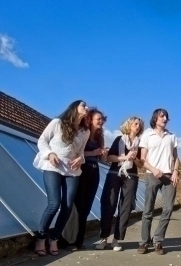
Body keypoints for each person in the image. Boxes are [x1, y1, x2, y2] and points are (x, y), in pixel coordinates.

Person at [33, 100, 89, 256]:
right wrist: (49, 154)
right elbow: (42, 140)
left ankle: (54, 238)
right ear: (74, 108)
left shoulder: (85, 132)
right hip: (53, 167)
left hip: (72, 170)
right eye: (83, 105)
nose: (87, 108)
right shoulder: (57, 123)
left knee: (68, 205)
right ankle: (41, 237)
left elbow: (81, 152)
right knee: (54, 203)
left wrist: (81, 159)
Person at [96, 116, 144, 251]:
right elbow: (110, 157)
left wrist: (134, 159)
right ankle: (104, 238)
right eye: (135, 123)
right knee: (108, 204)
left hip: (132, 176)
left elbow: (141, 164)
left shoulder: (140, 143)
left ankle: (116, 240)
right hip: (115, 174)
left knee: (126, 207)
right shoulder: (119, 139)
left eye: (139, 124)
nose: (138, 126)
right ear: (129, 125)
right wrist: (125, 157)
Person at [137, 108, 179, 255]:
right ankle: (144, 242)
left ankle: (158, 241)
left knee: (168, 208)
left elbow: (176, 157)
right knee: (148, 210)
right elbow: (142, 159)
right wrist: (153, 169)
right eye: (162, 116)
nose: (165, 118)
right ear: (155, 118)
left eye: (166, 116)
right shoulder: (147, 135)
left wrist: (175, 171)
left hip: (168, 176)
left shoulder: (172, 136)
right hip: (152, 174)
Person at [67, 108, 107, 251]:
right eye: (98, 119)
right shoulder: (83, 133)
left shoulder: (100, 136)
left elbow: (102, 159)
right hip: (82, 170)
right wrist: (93, 152)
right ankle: (70, 240)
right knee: (78, 205)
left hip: (94, 171)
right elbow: (77, 152)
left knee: (87, 207)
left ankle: (79, 241)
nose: (101, 122)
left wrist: (103, 154)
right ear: (90, 119)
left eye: (102, 119)